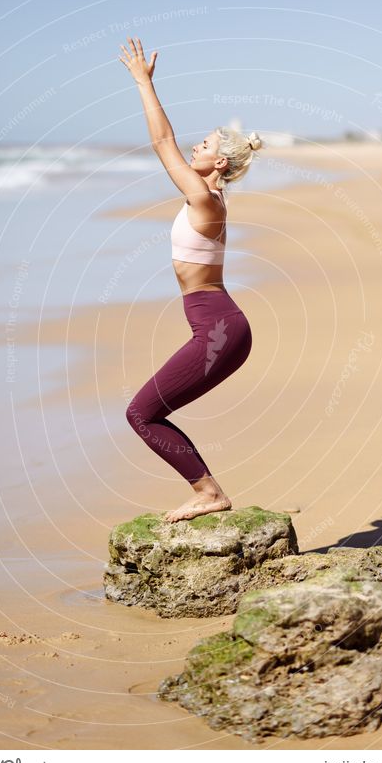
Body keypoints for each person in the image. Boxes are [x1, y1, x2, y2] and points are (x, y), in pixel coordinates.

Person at [119, 36, 263, 522]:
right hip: (221, 326)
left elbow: (162, 143)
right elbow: (169, 146)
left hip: (220, 330)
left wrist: (143, 83)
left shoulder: (204, 200)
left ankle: (209, 492)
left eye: (203, 145)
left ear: (218, 162)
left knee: (141, 413)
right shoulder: (207, 199)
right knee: (147, 412)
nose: (193, 147)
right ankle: (207, 491)